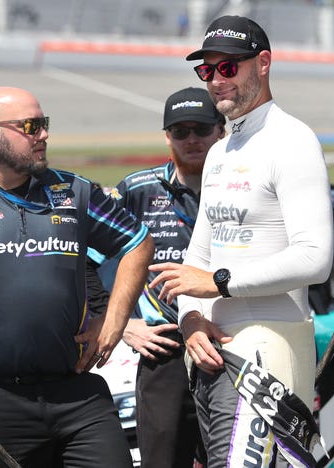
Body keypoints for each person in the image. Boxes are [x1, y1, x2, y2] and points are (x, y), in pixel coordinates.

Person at [0, 86, 154, 467]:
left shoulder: (75, 192)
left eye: (44, 124)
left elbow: (138, 244)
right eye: (30, 126)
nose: (43, 135)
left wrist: (113, 322)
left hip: (77, 391)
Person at [149, 16, 333, 466]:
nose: (215, 81)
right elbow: (198, 256)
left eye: (228, 68)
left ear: (263, 63)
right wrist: (191, 318)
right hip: (211, 356)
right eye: (206, 71)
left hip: (269, 352)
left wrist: (219, 283)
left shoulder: (292, 141)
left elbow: (315, 259)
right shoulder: (219, 151)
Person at [88, 86, 225, 467]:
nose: (192, 139)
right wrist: (121, 324)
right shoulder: (138, 190)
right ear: (167, 137)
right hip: (165, 348)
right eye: (180, 131)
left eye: (202, 128)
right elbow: (82, 262)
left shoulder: (243, 187)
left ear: (221, 130)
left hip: (233, 340)